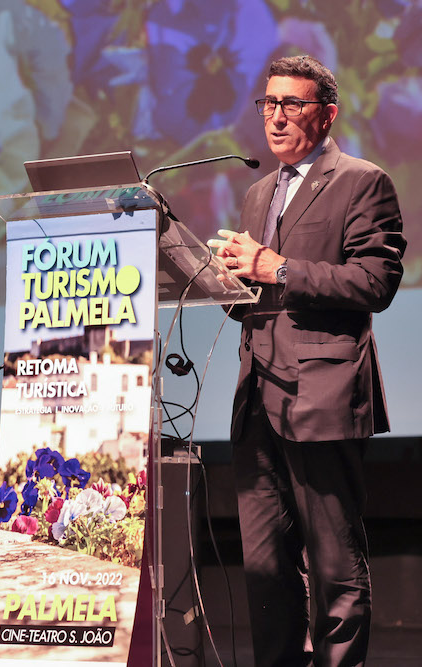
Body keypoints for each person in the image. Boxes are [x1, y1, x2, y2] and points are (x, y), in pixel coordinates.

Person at [209, 55, 406, 667]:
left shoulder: (362, 181)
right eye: (269, 103)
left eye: (292, 104)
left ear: (327, 114)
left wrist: (278, 269)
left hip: (323, 395)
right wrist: (224, 283)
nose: (276, 117)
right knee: (266, 566)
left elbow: (375, 282)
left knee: (333, 563)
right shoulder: (256, 194)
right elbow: (254, 300)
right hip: (258, 399)